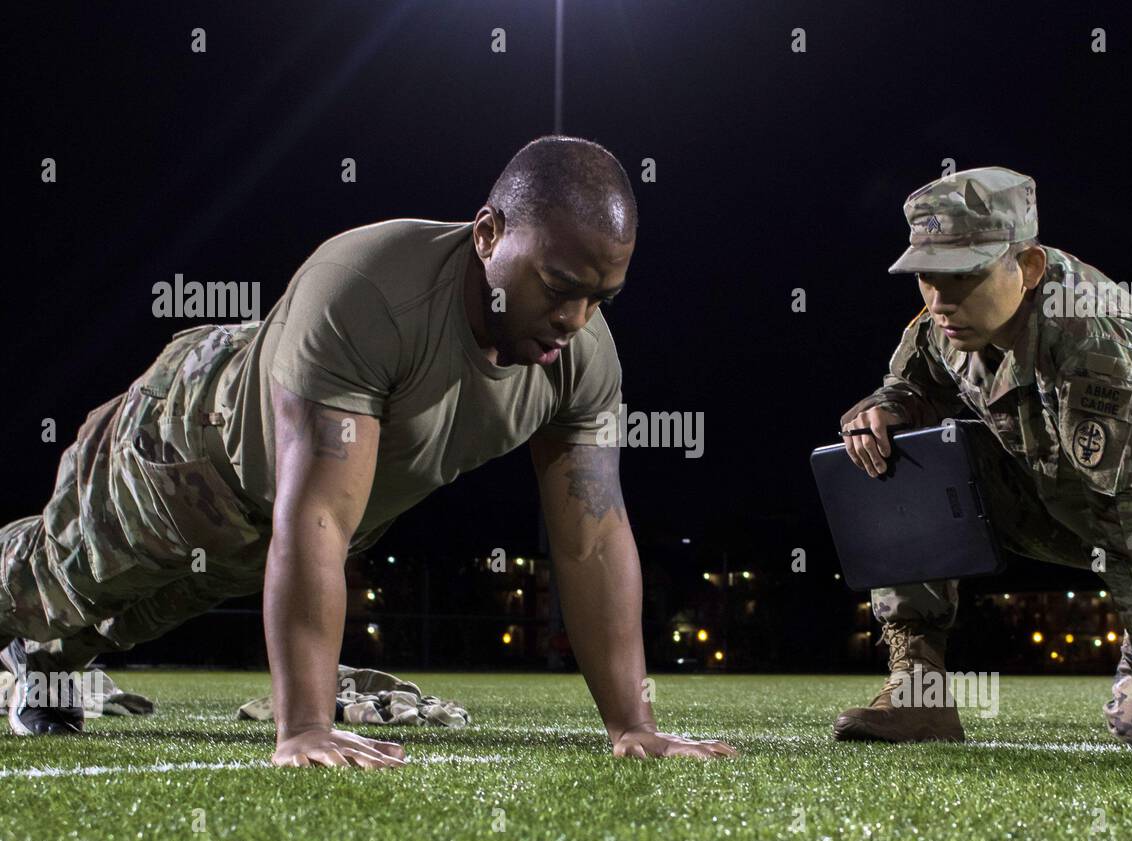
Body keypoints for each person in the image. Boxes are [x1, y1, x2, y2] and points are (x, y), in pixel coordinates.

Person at [0, 134, 736, 765]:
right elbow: (315, 515)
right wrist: (308, 727)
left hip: (287, 516)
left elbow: (594, 538)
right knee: (56, 580)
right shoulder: (368, 288)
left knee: (133, 616)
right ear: (488, 235)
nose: (575, 318)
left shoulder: (584, 358)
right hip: (189, 444)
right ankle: (33, 638)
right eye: (557, 286)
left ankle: (43, 665)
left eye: (601, 297)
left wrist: (633, 725)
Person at [835, 166, 1132, 747]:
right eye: (927, 276)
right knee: (886, 456)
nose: (940, 301)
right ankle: (919, 690)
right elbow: (908, 386)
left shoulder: (1094, 341)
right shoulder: (948, 321)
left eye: (964, 274)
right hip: (1071, 505)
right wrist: (878, 411)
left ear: (1028, 267)